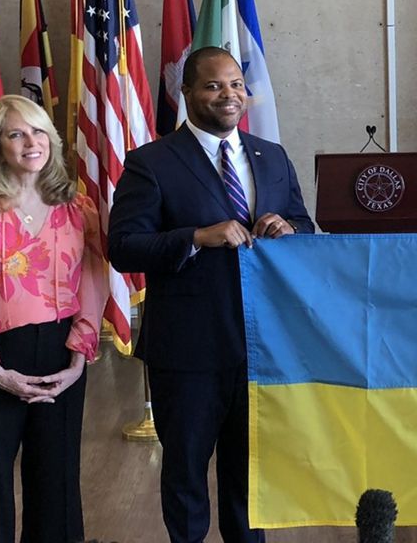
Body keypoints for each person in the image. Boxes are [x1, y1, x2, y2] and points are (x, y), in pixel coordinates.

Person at [108, 46, 314, 543]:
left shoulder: (272, 156)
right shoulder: (151, 162)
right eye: (214, 85)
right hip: (188, 350)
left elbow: (305, 226)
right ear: (187, 93)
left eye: (236, 85)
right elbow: (123, 247)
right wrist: (195, 237)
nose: (229, 95)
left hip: (261, 347)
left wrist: (288, 228)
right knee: (186, 474)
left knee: (250, 474)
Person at [0, 94, 107, 543]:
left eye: (37, 131)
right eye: (16, 134)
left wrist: (79, 354)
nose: (31, 142)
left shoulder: (78, 208)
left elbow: (92, 282)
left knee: (58, 484)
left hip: (62, 355)